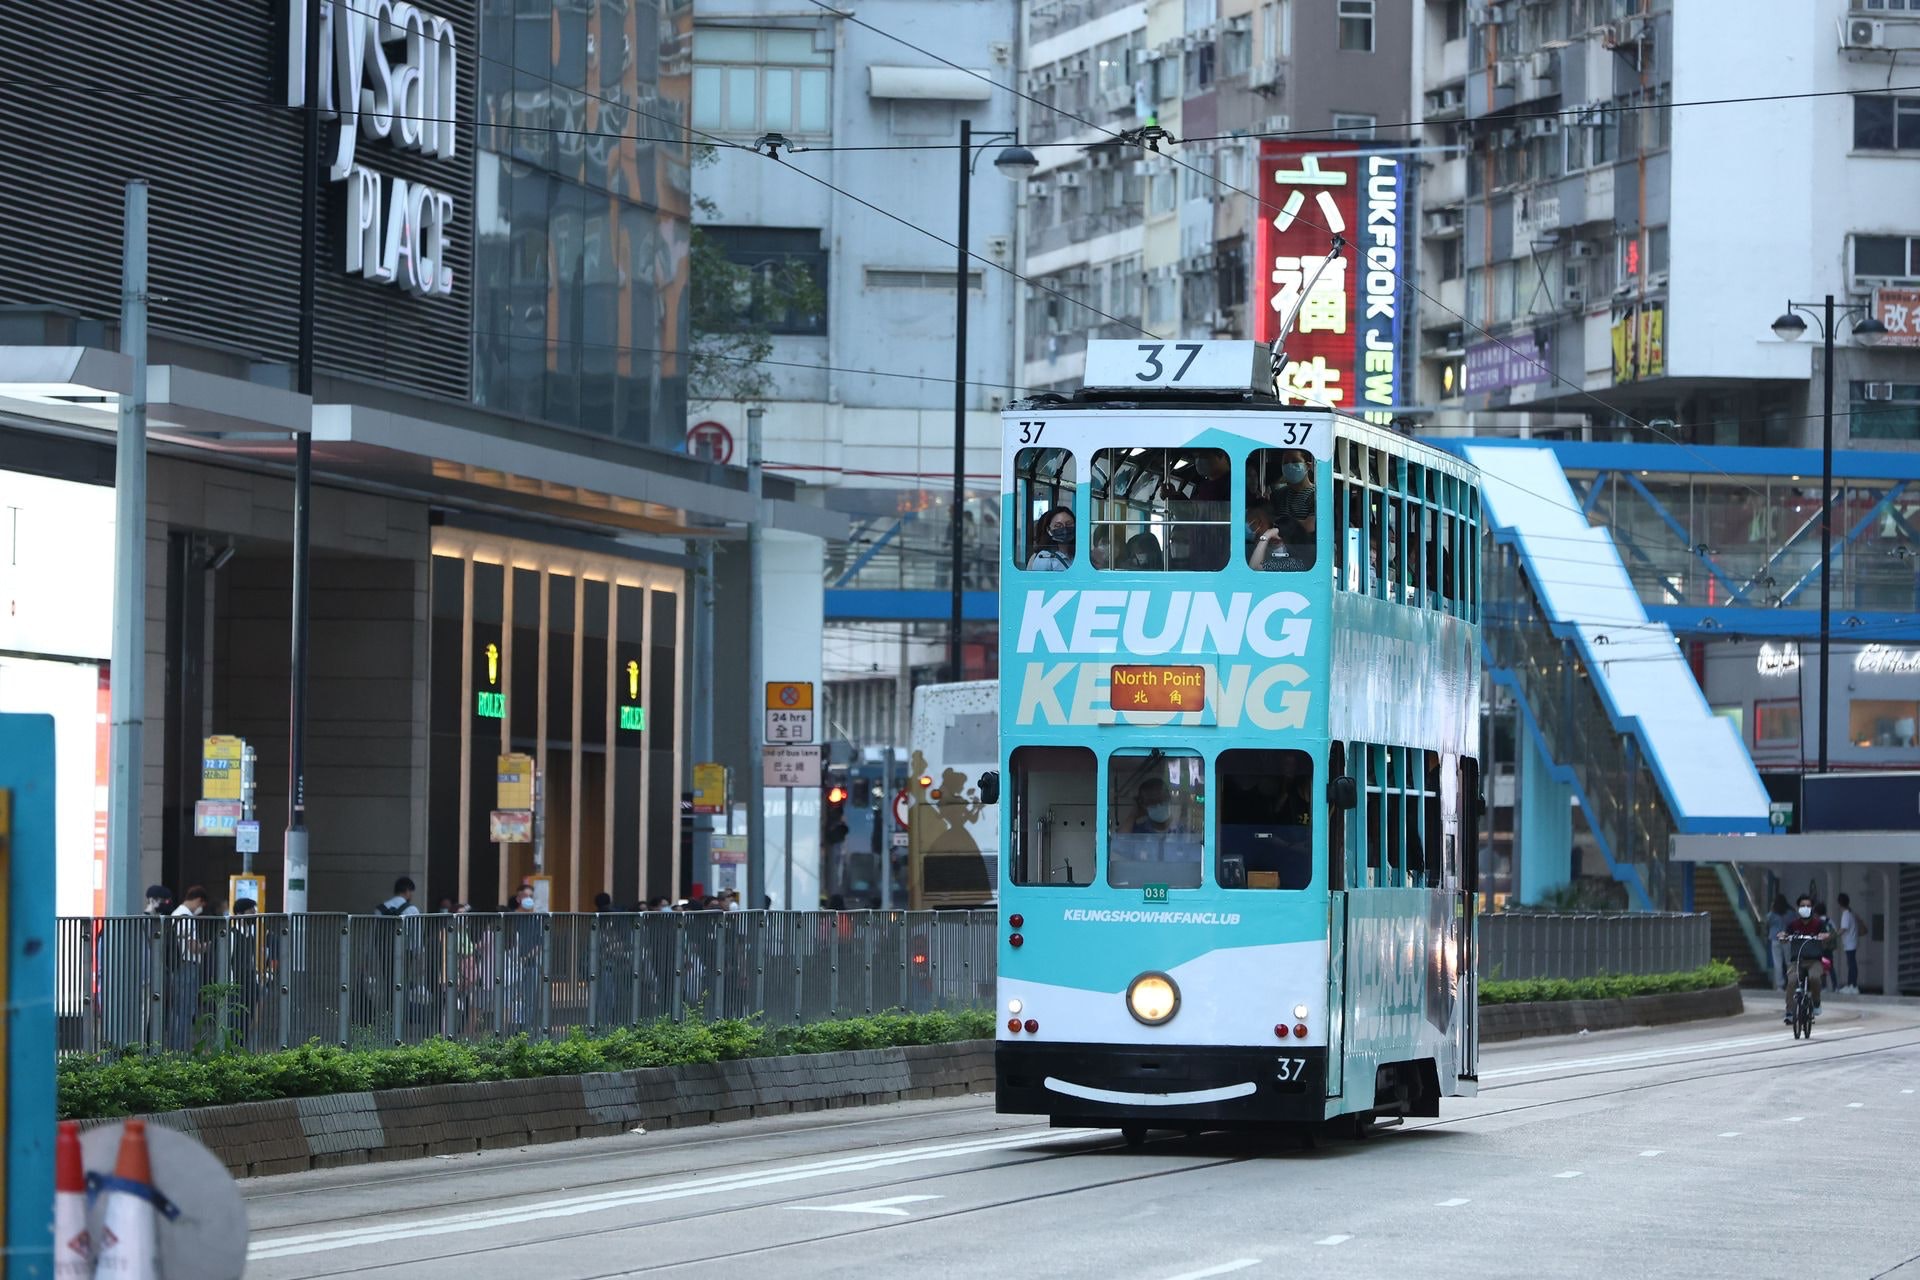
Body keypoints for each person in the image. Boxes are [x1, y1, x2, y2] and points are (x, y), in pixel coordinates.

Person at [1779, 894, 1831, 1023]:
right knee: (1791, 981)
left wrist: (1824, 936)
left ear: (1812, 908)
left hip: (1814, 961)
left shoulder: (1819, 923)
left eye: (1808, 906)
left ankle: (1816, 1002)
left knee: (1815, 978)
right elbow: (1785, 936)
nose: (1805, 908)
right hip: (1796, 961)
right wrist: (1783, 936)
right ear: (1798, 908)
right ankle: (1790, 1012)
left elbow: (1826, 935)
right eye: (1802, 906)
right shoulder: (1793, 924)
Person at [1246, 502, 1308, 573]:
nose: (1271, 545)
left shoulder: (1293, 563)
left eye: (1276, 541)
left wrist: (1266, 536)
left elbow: (1254, 568)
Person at [1026, 506, 1075, 570]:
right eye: (1058, 526)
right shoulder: (1044, 557)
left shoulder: (1078, 554)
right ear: (1049, 530)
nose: (1064, 528)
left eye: (1069, 524)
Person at [1763, 893, 1791, 990]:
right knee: (1789, 962)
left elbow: (1766, 922)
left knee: (1777, 963)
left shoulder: (1772, 914)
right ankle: (1791, 982)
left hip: (1775, 939)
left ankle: (1780, 985)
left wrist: (1771, 908)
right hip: (1787, 939)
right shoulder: (1789, 913)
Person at [1836, 893, 1863, 994]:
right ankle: (1852, 985)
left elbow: (1843, 928)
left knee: (1851, 963)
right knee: (1851, 963)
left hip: (1849, 942)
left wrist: (1834, 935)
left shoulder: (1846, 914)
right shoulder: (1850, 913)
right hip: (1852, 942)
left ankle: (1852, 985)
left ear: (1839, 903)